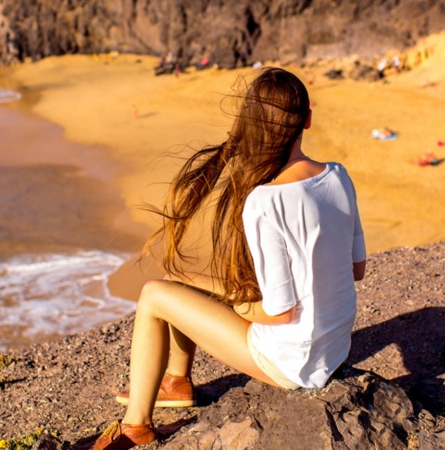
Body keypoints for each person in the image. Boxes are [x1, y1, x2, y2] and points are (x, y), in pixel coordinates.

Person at [90, 67, 366, 449]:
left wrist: (235, 298)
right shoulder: (338, 176)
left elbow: (279, 313)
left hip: (292, 360)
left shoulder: (265, 201)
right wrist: (218, 289)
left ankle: (136, 426)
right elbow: (357, 270)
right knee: (187, 285)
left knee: (155, 294)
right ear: (308, 120)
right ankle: (176, 382)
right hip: (334, 346)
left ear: (250, 126)